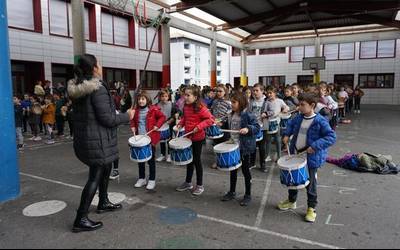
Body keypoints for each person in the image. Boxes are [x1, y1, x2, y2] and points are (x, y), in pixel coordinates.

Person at [67, 54, 135, 233]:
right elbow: (108, 118)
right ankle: (80, 218)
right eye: (99, 63)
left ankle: (103, 202)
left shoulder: (78, 87)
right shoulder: (97, 88)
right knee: (95, 176)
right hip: (97, 140)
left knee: (105, 169)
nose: (101, 66)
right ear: (95, 68)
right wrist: (127, 116)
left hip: (89, 138)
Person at [279, 93, 336, 223]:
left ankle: (311, 208)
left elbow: (331, 137)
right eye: (299, 104)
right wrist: (287, 135)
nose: (299, 107)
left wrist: (315, 146)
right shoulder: (299, 118)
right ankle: (292, 201)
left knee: (310, 183)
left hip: (311, 158)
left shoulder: (320, 121)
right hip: (296, 154)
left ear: (312, 105)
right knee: (293, 179)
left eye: (302, 105)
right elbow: (290, 126)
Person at [220, 92, 260, 206]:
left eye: (234, 102)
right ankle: (232, 192)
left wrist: (248, 129)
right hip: (233, 145)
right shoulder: (230, 114)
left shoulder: (248, 114)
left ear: (241, 103)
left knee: (245, 171)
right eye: (231, 101)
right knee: (233, 170)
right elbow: (228, 126)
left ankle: (248, 194)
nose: (231, 104)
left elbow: (257, 127)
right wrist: (220, 125)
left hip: (244, 146)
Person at [175, 85, 214, 196]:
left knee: (197, 161)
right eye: (185, 95)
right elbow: (185, 118)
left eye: (188, 95)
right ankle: (188, 182)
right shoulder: (186, 107)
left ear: (196, 97)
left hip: (197, 138)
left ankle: (200, 185)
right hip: (188, 137)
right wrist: (180, 123)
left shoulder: (201, 107)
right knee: (189, 161)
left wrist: (199, 126)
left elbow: (210, 119)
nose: (185, 97)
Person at [130, 91, 166, 190]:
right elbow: (132, 120)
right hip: (139, 138)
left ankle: (152, 180)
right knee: (140, 160)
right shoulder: (136, 110)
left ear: (147, 100)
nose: (141, 101)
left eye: (143, 99)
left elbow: (163, 117)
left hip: (150, 139)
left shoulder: (153, 109)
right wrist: (133, 127)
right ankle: (142, 178)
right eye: (139, 99)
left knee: (151, 160)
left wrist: (157, 126)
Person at [264, 86, 289, 166]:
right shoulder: (266, 102)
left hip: (277, 122)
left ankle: (279, 156)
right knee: (268, 141)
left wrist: (285, 109)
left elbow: (286, 107)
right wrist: (264, 114)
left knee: (278, 140)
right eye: (268, 93)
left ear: (275, 93)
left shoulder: (280, 101)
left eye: (270, 93)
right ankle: (267, 155)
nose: (269, 94)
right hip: (268, 123)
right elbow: (264, 112)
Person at [210, 84, 232, 169]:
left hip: (224, 125)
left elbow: (229, 115)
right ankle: (217, 161)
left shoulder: (228, 102)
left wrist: (222, 122)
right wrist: (213, 120)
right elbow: (212, 112)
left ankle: (225, 161)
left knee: (224, 143)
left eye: (220, 91)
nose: (218, 93)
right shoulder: (215, 102)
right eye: (217, 91)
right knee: (216, 143)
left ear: (225, 92)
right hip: (216, 124)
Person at [249, 83, 267, 172]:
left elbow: (273, 110)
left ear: (262, 91)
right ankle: (252, 162)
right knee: (252, 145)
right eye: (254, 90)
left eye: (257, 90)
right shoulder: (251, 101)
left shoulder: (266, 101)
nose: (255, 92)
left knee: (262, 147)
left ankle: (263, 164)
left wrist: (267, 114)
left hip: (263, 127)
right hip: (253, 126)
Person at [156, 89, 178, 163]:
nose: (164, 98)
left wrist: (173, 118)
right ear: (160, 97)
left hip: (170, 125)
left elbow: (178, 112)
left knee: (169, 140)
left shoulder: (172, 104)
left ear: (168, 97)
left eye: (166, 96)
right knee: (162, 141)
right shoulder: (157, 105)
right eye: (162, 96)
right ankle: (162, 155)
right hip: (161, 125)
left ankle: (169, 155)